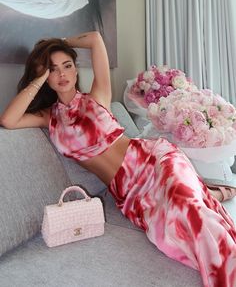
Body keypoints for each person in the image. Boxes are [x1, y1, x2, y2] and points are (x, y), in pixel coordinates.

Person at [1, 31, 236, 287]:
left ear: (76, 70)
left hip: (155, 160)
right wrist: (40, 77)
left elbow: (95, 39)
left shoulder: (97, 96)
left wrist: (59, 44)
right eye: (52, 70)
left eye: (67, 66)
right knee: (170, 235)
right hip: (130, 192)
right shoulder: (50, 118)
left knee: (191, 211)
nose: (62, 74)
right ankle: (209, 196)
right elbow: (8, 120)